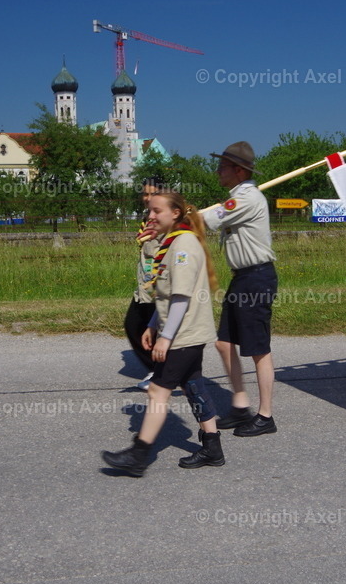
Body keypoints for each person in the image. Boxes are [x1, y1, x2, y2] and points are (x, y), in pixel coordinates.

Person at [102, 190, 224, 475]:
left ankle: (139, 455)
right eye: (150, 211)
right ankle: (212, 446)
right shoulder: (171, 244)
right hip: (184, 330)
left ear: (176, 213)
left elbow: (181, 298)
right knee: (193, 383)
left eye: (157, 211)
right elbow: (167, 294)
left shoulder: (182, 246)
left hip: (184, 334)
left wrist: (166, 337)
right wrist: (152, 324)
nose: (151, 216)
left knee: (157, 390)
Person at [203, 141, 279, 437]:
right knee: (223, 342)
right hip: (242, 278)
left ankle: (265, 416)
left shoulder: (246, 199)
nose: (217, 171)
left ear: (237, 170)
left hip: (257, 278)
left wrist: (180, 214)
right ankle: (239, 405)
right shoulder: (236, 198)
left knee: (258, 349)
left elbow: (209, 220)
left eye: (222, 166)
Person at [123, 177, 164, 390]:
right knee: (134, 324)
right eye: (144, 193)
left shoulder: (167, 220)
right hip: (145, 286)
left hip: (159, 286)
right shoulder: (148, 218)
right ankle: (159, 369)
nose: (146, 197)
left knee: (155, 327)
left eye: (151, 193)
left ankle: (161, 373)